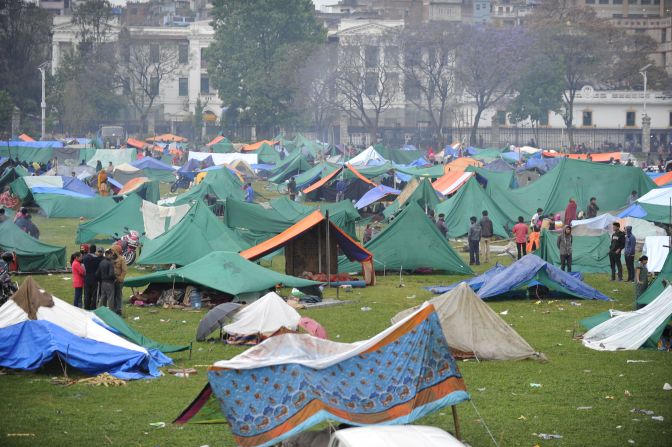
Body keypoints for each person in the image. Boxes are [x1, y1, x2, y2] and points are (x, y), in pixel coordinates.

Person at [82, 245, 103, 310]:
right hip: (95, 278)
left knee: (87, 293)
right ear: (95, 250)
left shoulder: (85, 258)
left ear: (89, 250)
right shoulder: (97, 259)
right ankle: (93, 307)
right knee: (94, 294)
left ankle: (86, 306)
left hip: (87, 277)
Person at [110, 245, 127, 316]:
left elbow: (124, 270)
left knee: (118, 295)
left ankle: (118, 310)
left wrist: (120, 278)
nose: (112, 252)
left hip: (119, 280)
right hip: (111, 280)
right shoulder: (110, 258)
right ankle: (113, 309)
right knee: (112, 295)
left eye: (113, 250)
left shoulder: (121, 259)